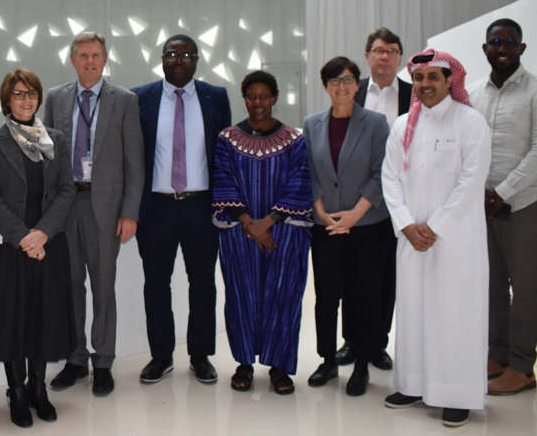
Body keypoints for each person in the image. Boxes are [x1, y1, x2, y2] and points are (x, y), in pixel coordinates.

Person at [381, 49, 491, 428]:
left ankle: (455, 393)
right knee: (412, 313)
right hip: (412, 239)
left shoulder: (471, 121)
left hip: (456, 241)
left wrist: (436, 226)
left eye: (433, 77)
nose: (425, 84)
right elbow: (390, 179)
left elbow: (471, 181)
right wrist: (407, 225)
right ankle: (412, 385)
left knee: (453, 315)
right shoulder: (402, 126)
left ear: (449, 80)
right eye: (419, 78)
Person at [42, 32, 145, 396]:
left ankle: (103, 361)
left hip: (106, 208)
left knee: (103, 287)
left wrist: (130, 212)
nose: (89, 61)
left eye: (96, 55)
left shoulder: (125, 101)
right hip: (66, 206)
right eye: (82, 55)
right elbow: (46, 156)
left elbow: (135, 161)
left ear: (105, 60)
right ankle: (74, 359)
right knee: (69, 288)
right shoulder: (55, 98)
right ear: (72, 60)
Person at [0, 68, 77, 428]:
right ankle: (16, 391)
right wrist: (23, 237)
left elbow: (67, 189)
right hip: (10, 245)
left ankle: (38, 388)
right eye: (18, 94)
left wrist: (43, 233)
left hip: (49, 243)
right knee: (13, 319)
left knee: (42, 318)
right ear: (7, 99)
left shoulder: (56, 140)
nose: (26, 99)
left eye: (31, 93)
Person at [468, 19, 537, 395]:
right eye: (496, 41)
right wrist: (480, 193)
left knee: (524, 286)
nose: (503, 48)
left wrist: (502, 192)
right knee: (491, 283)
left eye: (511, 42)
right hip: (485, 205)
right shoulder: (474, 93)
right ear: (486, 49)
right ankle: (498, 355)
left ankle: (523, 367)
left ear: (522, 48)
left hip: (527, 202)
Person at [131, 34, 232, 384]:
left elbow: (225, 155)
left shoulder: (215, 97)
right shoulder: (139, 98)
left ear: (197, 59)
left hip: (201, 207)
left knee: (202, 282)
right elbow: (132, 157)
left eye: (187, 54)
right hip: (156, 208)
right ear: (162, 58)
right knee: (156, 283)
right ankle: (161, 356)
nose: (179, 59)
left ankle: (200, 354)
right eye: (173, 54)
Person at [212, 70, 312, 395]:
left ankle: (279, 366)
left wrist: (265, 223)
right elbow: (223, 182)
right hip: (239, 233)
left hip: (284, 232)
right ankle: (243, 363)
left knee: (283, 296)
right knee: (241, 296)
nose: (258, 103)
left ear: (275, 98)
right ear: (244, 98)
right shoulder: (226, 139)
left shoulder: (295, 139)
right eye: (251, 97)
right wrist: (248, 224)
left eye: (264, 97)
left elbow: (300, 183)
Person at [303, 57, 391, 397]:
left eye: (349, 79)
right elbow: (306, 170)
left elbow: (383, 172)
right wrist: (319, 208)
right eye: (335, 81)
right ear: (325, 87)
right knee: (326, 296)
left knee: (367, 296)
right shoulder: (312, 124)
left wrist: (356, 213)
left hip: (368, 224)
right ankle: (327, 360)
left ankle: (362, 367)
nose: (343, 86)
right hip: (324, 224)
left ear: (358, 84)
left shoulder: (376, 122)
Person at [341, 27, 411, 370]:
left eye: (393, 51)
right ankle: (351, 340)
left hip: (403, 200)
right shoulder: (351, 94)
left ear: (400, 58)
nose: (385, 56)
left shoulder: (416, 95)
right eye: (379, 50)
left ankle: (377, 343)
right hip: (358, 202)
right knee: (352, 273)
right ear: (367, 55)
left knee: (386, 274)